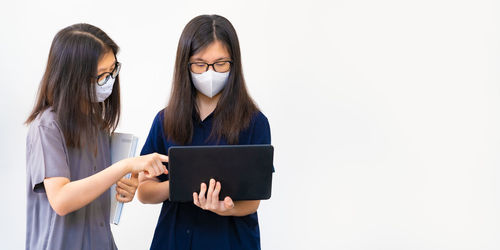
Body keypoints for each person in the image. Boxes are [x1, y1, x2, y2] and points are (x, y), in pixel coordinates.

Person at [25, 23, 168, 250]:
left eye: (113, 70)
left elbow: (97, 190)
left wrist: (124, 187)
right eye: (101, 75)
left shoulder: (97, 125)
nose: (110, 81)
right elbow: (61, 200)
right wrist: (124, 166)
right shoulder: (48, 127)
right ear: (71, 78)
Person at [137, 15, 271, 250]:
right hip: (173, 240)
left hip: (230, 241)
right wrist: (181, 184)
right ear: (185, 65)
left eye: (220, 63)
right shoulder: (165, 120)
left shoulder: (254, 122)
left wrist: (225, 208)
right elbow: (144, 192)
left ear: (234, 63)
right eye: (200, 64)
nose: (210, 72)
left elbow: (254, 201)